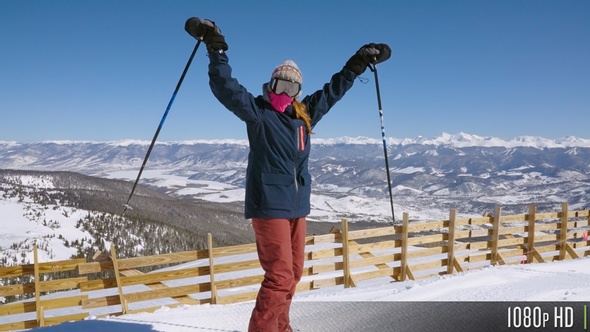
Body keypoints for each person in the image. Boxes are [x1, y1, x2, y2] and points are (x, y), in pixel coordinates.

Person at [185, 17, 391, 332]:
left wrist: (357, 63)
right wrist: (217, 49)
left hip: (297, 206)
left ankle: (281, 328)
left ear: (297, 91)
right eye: (280, 84)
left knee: (293, 274)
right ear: (271, 84)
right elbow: (225, 86)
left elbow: (332, 92)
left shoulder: (304, 116)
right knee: (279, 276)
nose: (285, 90)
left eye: (291, 86)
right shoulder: (258, 114)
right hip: (269, 205)